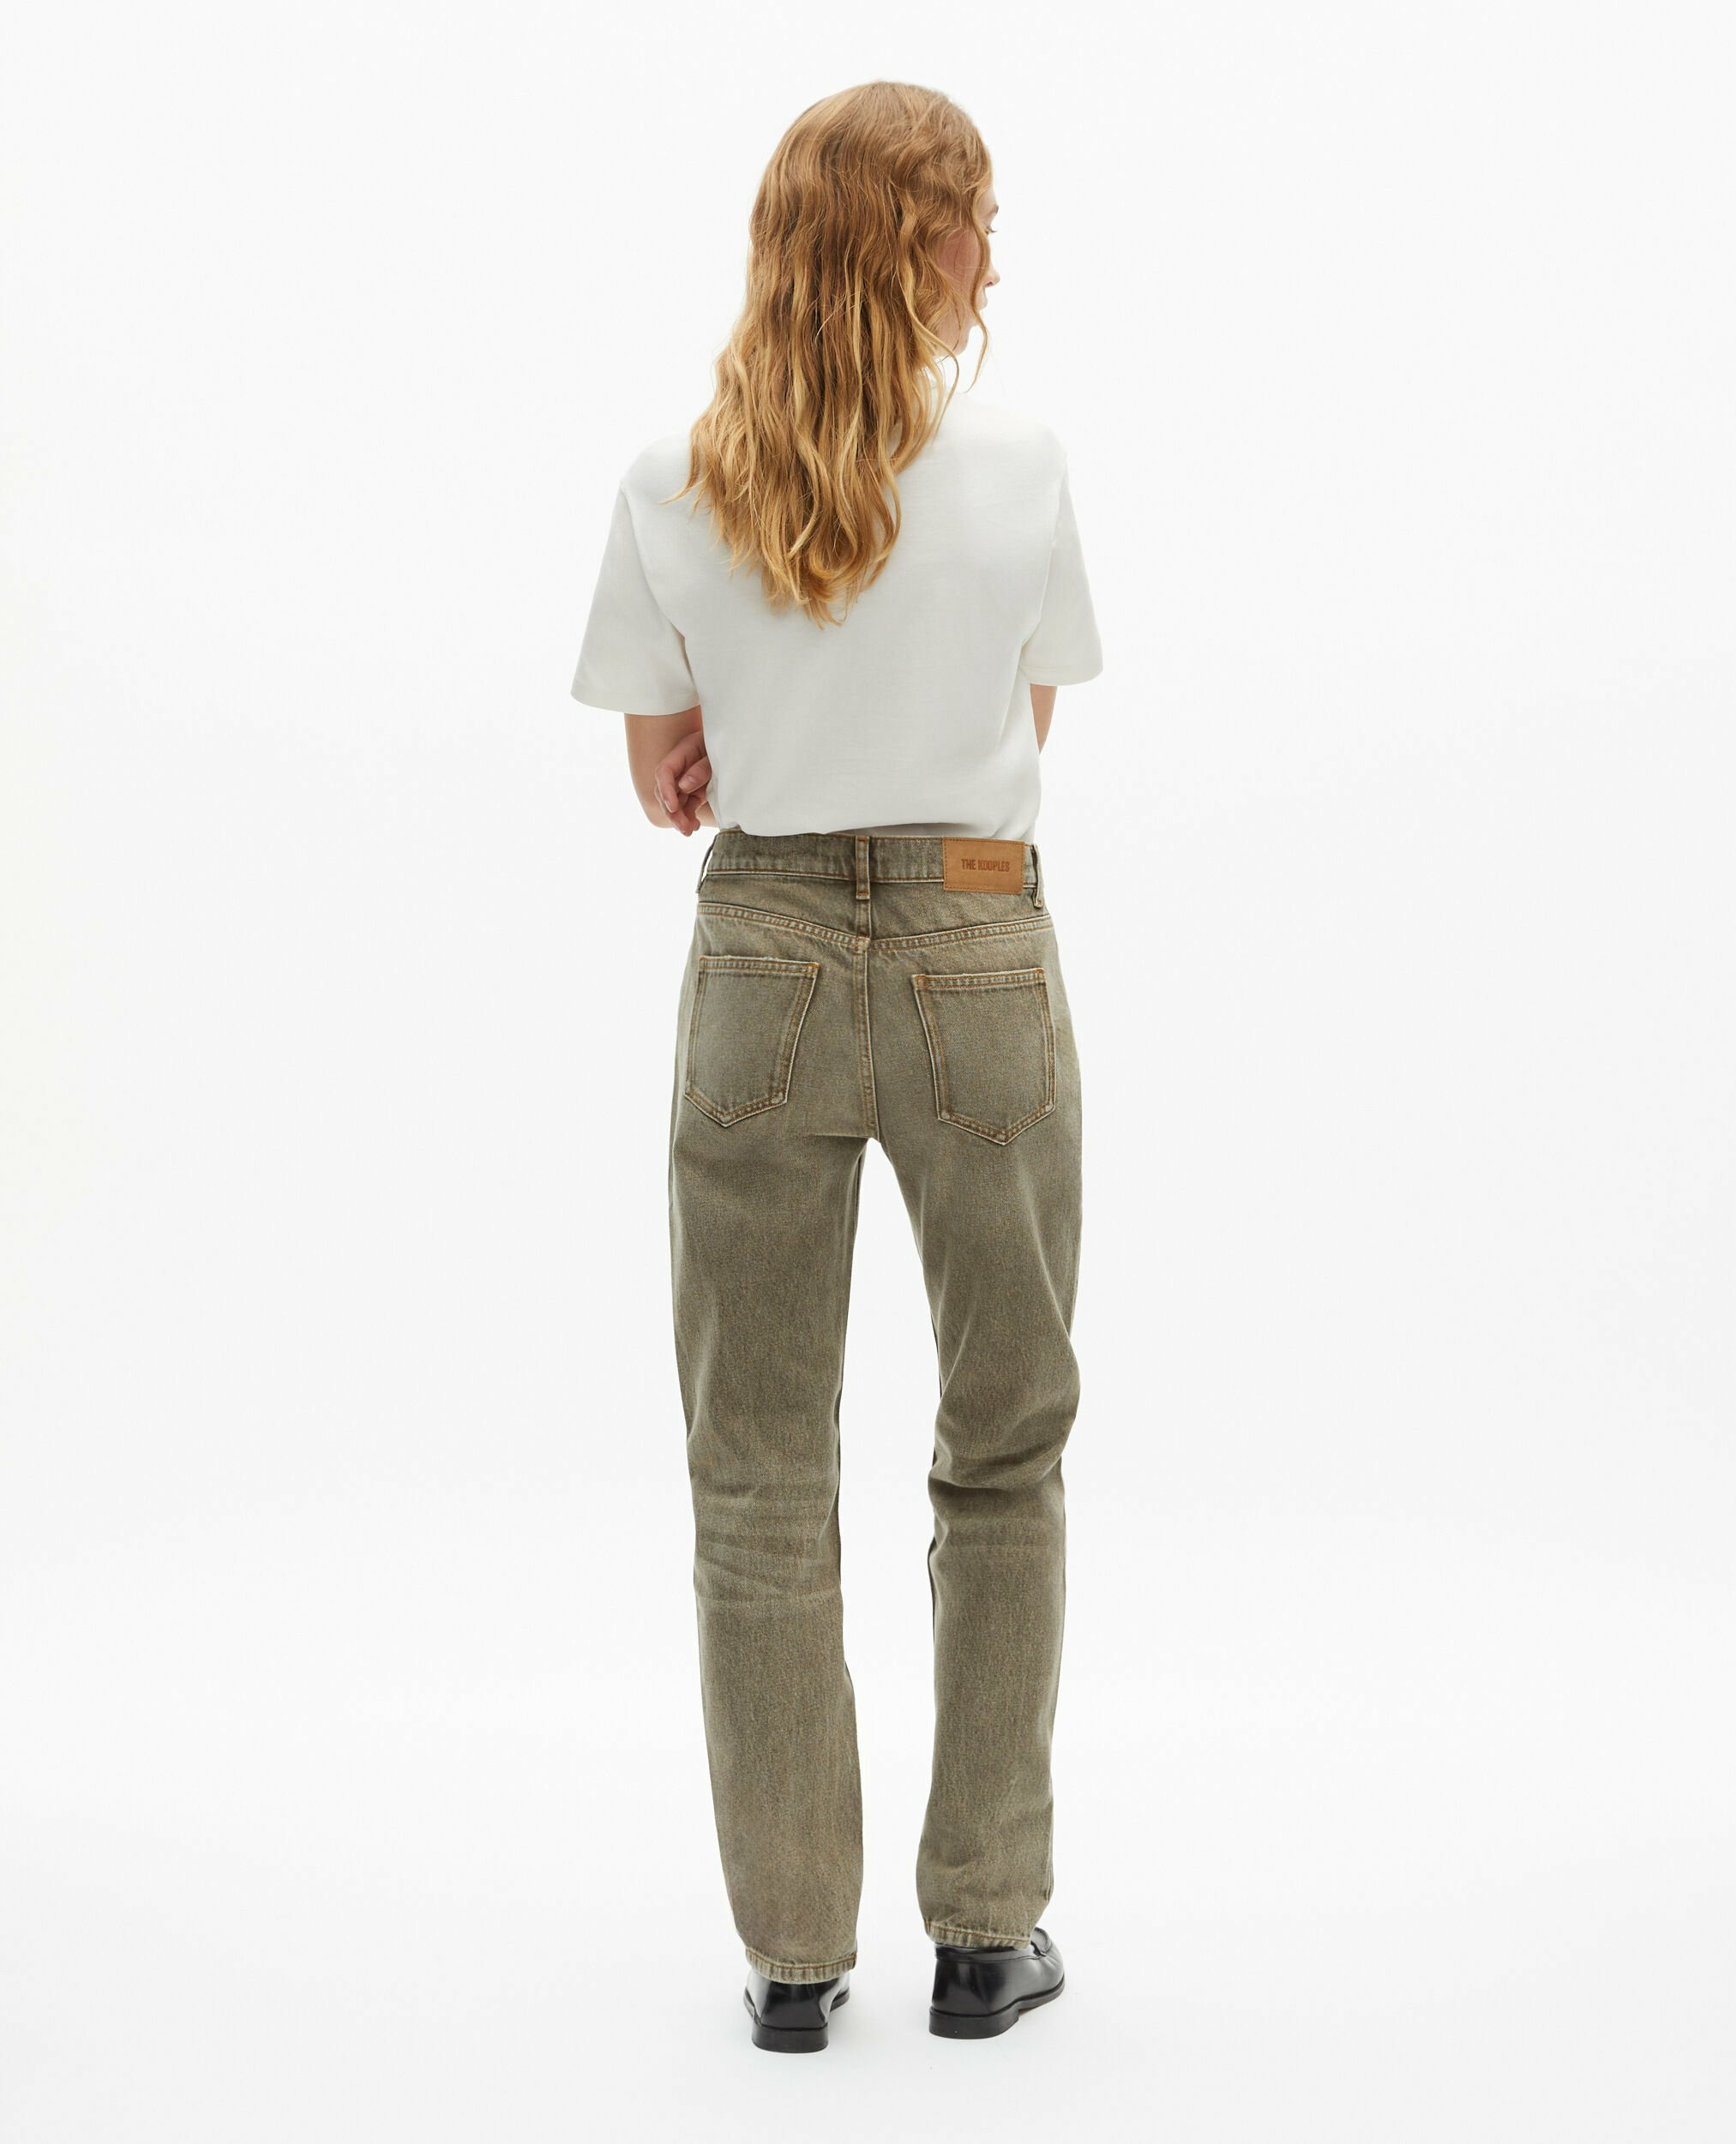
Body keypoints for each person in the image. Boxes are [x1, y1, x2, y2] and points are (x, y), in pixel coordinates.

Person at [569, 80, 1102, 2051]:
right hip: (972, 938)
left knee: (756, 1475)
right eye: (976, 224)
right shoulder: (1019, 459)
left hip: (763, 954)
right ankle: (983, 1935)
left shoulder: (673, 475)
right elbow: (1021, 720)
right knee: (1004, 1444)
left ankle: (795, 1961)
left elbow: (666, 777)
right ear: (913, 236)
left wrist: (770, 730)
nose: (991, 263)